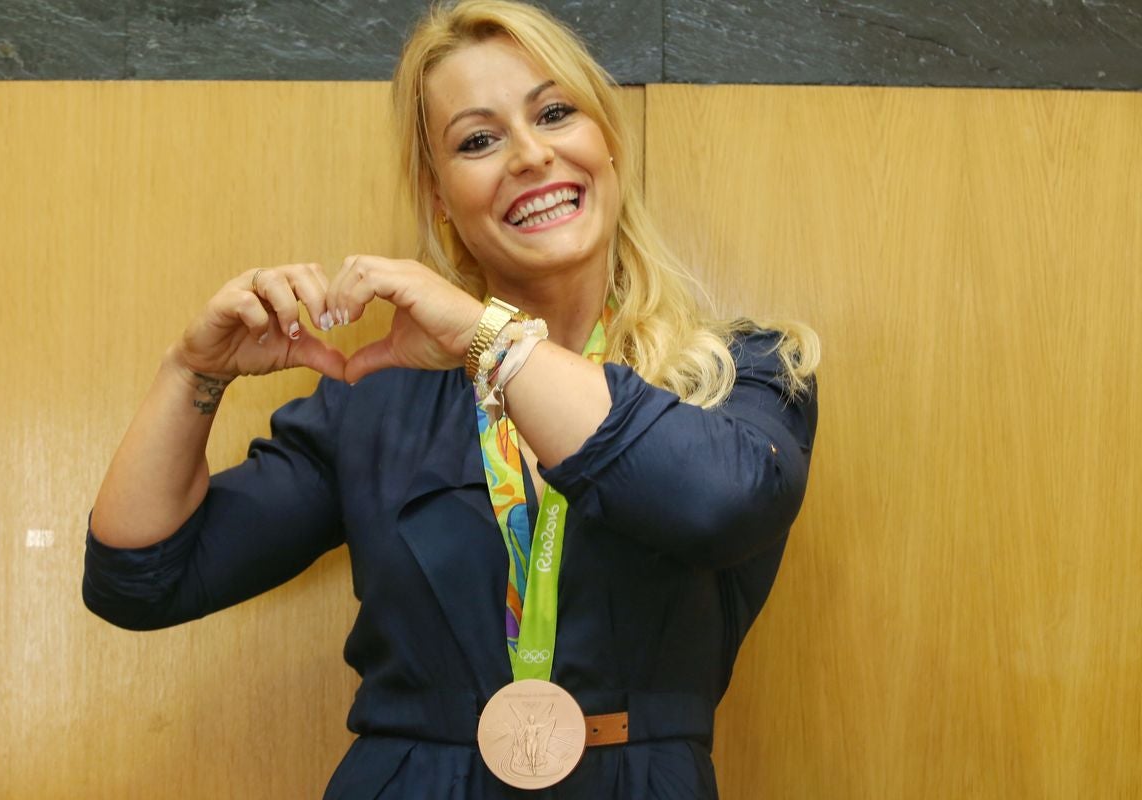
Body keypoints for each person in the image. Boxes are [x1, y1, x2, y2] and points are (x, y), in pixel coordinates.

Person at [82, 1, 820, 797]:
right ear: (440, 196)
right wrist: (194, 371)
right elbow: (139, 580)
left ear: (606, 140)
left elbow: (722, 503)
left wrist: (485, 335)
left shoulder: (741, 368)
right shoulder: (377, 400)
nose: (530, 155)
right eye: (479, 140)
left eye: (555, 112)